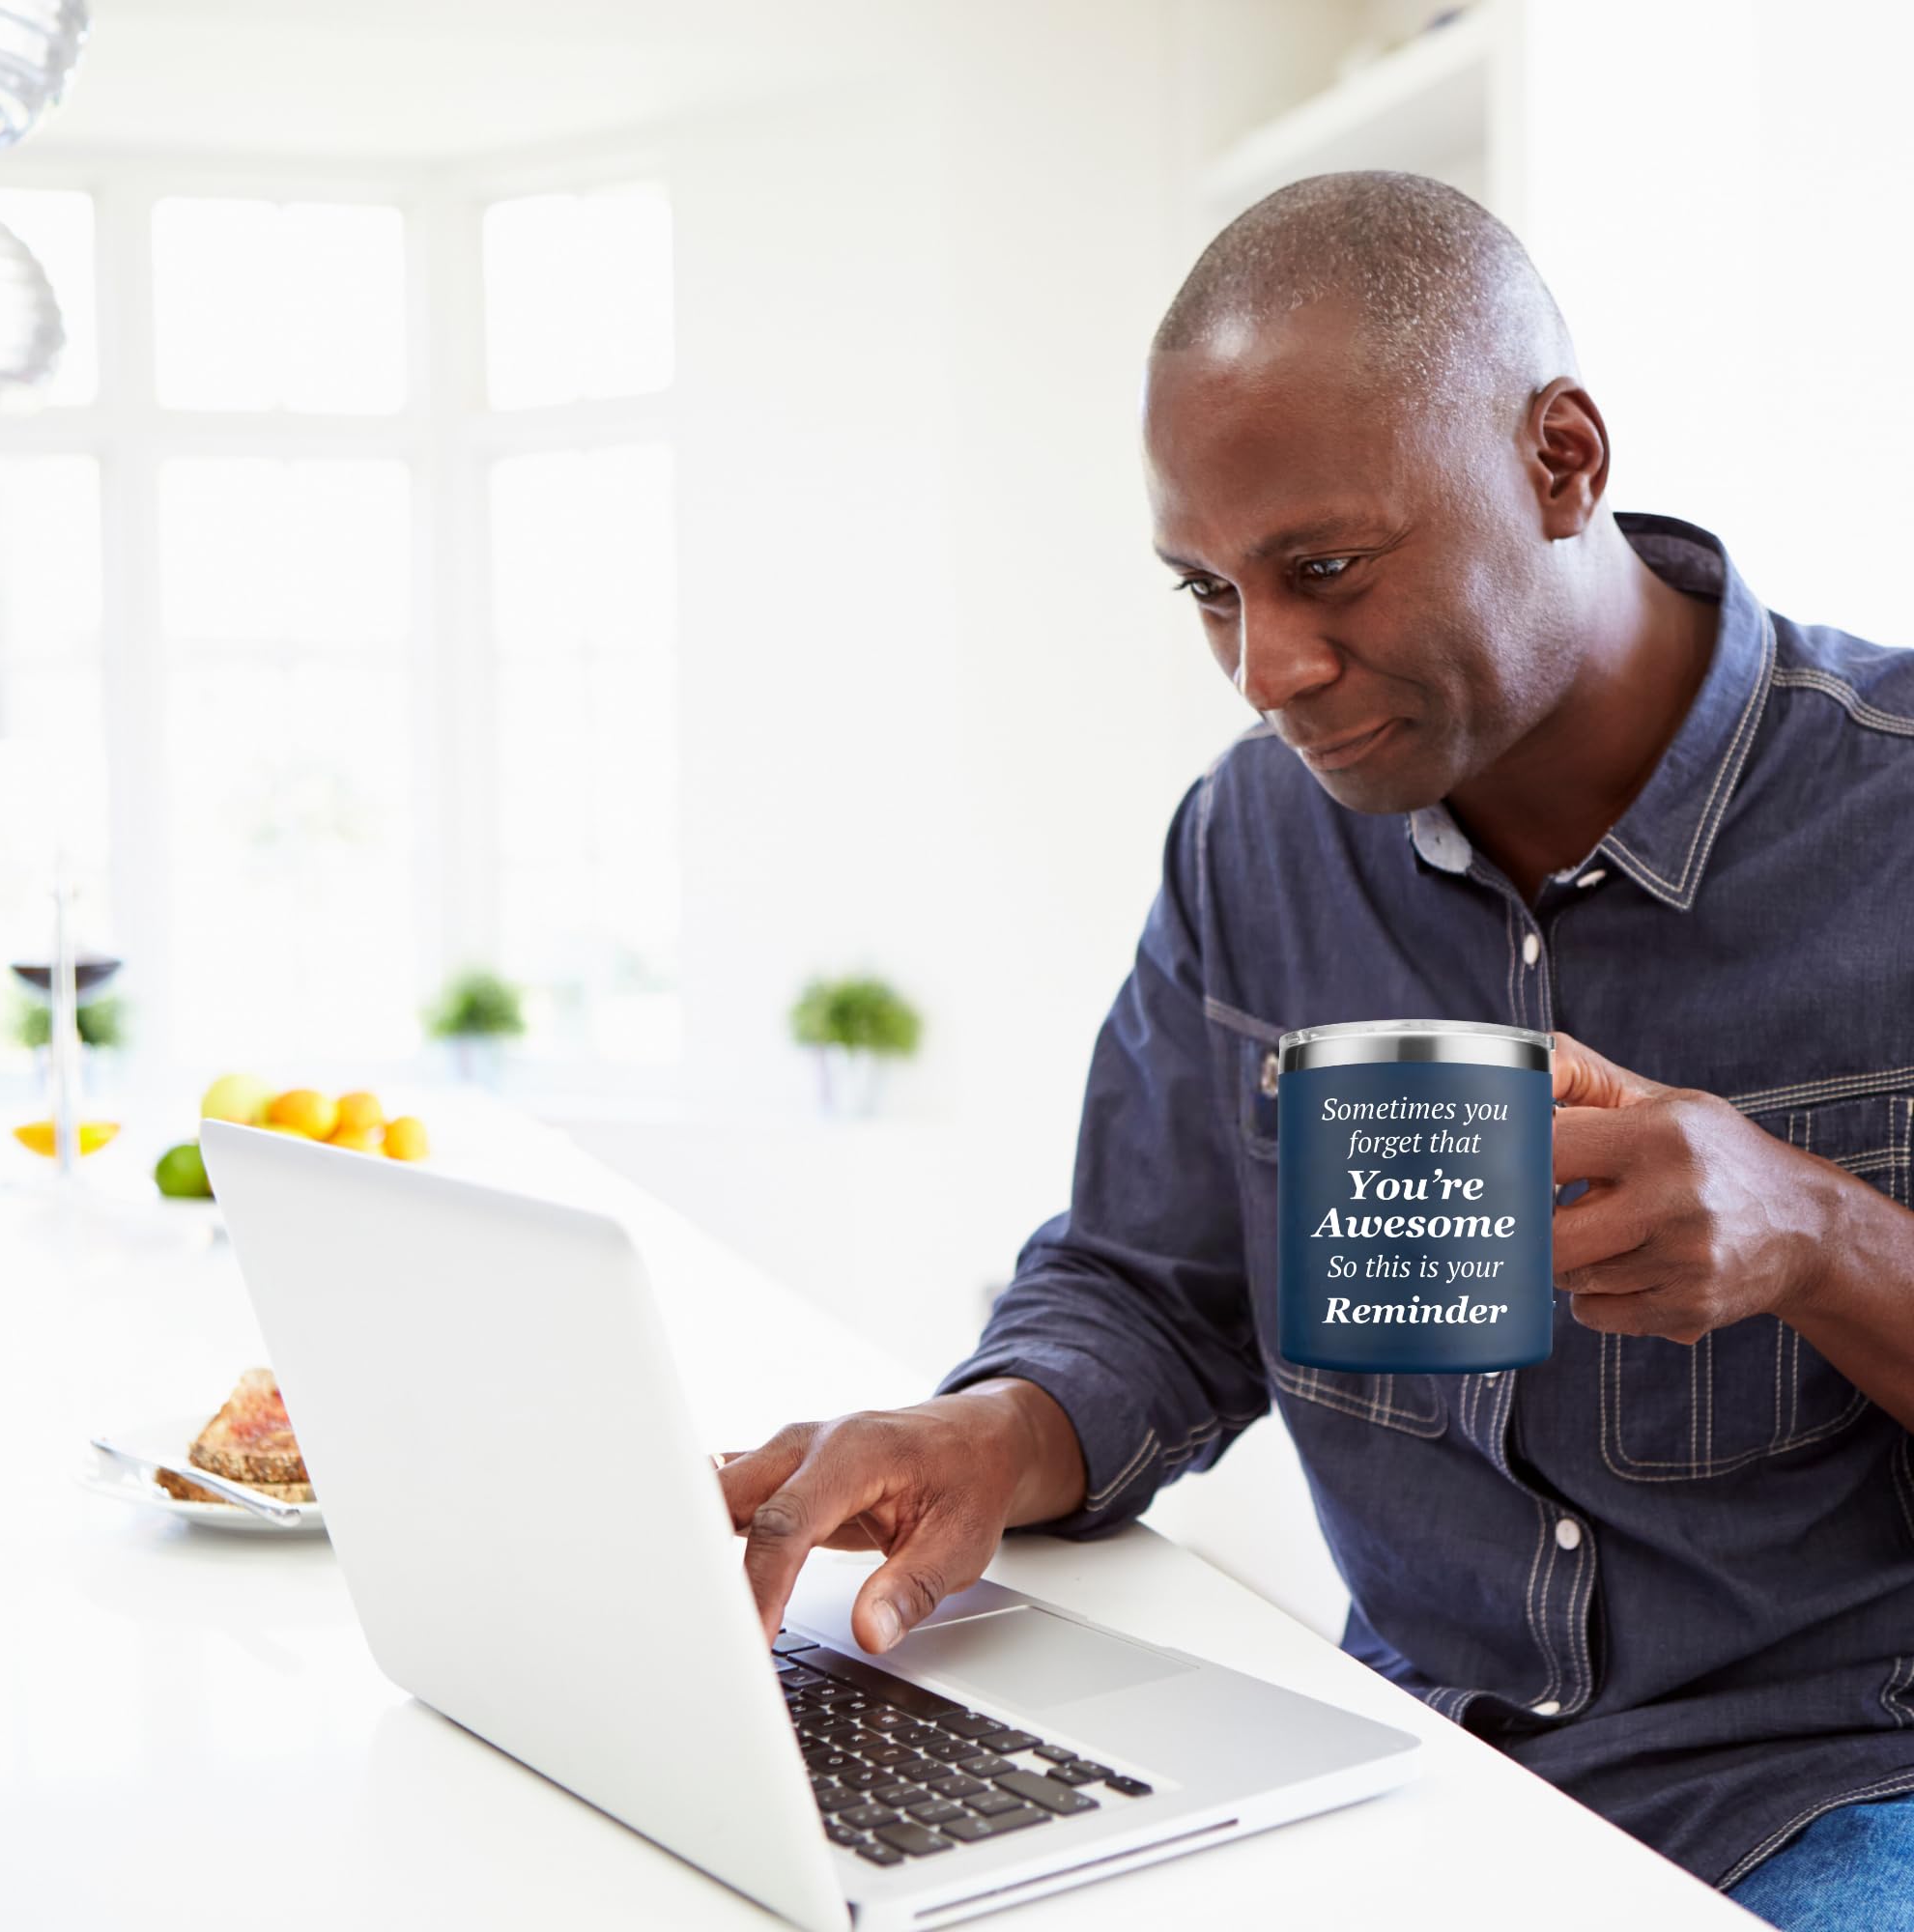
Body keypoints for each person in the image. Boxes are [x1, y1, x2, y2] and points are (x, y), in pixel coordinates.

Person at [715, 172, 1914, 1925]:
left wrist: (1820, 1235)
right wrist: (988, 1431)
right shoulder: (1253, 845)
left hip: (1837, 1790)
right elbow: (1153, 1290)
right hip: (1413, 1762)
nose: (1266, 667)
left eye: (1325, 569)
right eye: (1209, 590)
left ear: (1561, 461)